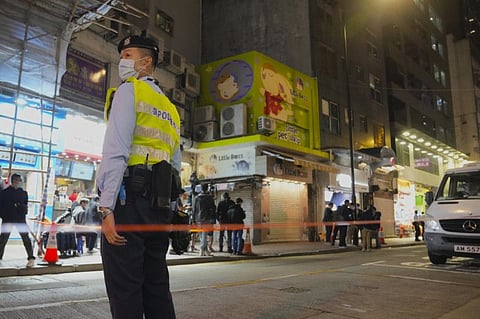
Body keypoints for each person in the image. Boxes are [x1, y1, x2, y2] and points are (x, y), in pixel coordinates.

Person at [96, 33, 181, 319]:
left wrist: (106, 207)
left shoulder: (129, 91)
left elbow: (116, 152)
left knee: (125, 291)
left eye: (128, 55)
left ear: (146, 63)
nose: (122, 61)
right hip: (158, 210)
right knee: (157, 288)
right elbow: (175, 166)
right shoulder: (171, 109)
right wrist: (169, 211)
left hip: (129, 205)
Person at [0, 173, 35, 267]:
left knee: (26, 238)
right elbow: (1, 207)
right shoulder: (5, 193)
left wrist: (21, 207)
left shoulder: (23, 193)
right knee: (3, 239)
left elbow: (25, 207)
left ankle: (31, 258)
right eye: (19, 181)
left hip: (20, 218)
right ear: (14, 181)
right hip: (8, 218)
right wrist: (4, 215)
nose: (20, 183)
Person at [193, 183, 216, 256]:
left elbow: (194, 209)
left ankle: (205, 250)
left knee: (201, 235)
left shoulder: (197, 198)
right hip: (207, 218)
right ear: (207, 188)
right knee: (204, 234)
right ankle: (202, 249)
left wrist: (193, 219)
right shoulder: (210, 198)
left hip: (198, 218)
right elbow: (213, 209)